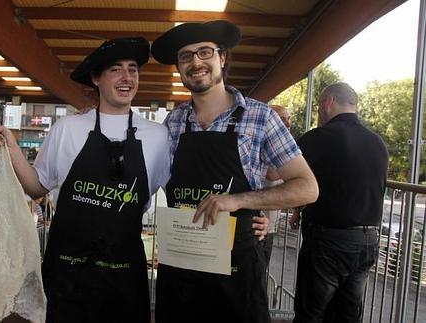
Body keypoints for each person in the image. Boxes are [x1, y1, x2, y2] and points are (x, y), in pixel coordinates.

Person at [0, 37, 171, 323]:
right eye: (116, 70)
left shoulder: (158, 137)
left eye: (133, 69)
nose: (127, 78)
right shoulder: (68, 128)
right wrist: (12, 149)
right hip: (68, 274)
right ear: (96, 78)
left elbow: (177, 195)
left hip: (124, 275)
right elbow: (37, 186)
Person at [151, 20, 319, 323]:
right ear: (179, 67)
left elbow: (307, 187)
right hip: (182, 268)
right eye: (186, 56)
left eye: (205, 52)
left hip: (236, 271)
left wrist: (239, 201)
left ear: (222, 58)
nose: (196, 62)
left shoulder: (261, 117)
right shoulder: (174, 122)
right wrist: (96, 115)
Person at [291, 82, 388, 323]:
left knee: (310, 313)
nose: (319, 112)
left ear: (328, 102)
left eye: (318, 106)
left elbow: (279, 173)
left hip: (328, 242)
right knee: (347, 315)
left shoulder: (320, 137)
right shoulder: (378, 142)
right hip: (367, 241)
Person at [263, 105, 292, 265]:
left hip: (270, 224)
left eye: (288, 119)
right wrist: (298, 172)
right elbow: (272, 173)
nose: (287, 124)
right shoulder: (265, 142)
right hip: (258, 223)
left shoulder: (283, 147)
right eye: (282, 119)